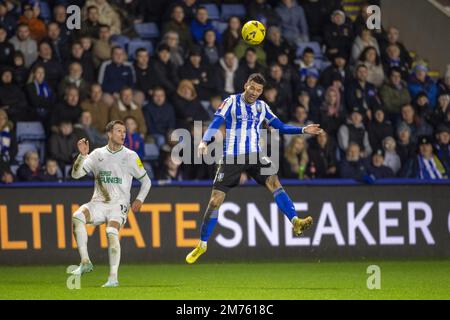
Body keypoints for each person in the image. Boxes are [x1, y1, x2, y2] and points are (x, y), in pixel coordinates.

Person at [185, 73, 323, 264]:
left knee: (274, 181)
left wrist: (302, 130)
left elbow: (280, 126)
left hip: (255, 155)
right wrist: (204, 141)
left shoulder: (262, 107)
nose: (255, 93)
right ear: (245, 85)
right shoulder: (231, 101)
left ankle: (295, 222)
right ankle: (202, 244)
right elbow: (217, 121)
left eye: (259, 90)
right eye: (252, 88)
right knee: (215, 201)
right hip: (232, 157)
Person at [70, 120, 151, 287]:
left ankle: (113, 278)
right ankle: (85, 261)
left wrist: (139, 199)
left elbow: (146, 181)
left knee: (111, 231)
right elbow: (76, 175)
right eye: (119, 131)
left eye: (124, 131)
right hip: (98, 202)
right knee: (77, 217)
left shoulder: (130, 156)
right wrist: (82, 156)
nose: (123, 134)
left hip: (118, 205)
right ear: (109, 134)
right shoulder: (97, 154)